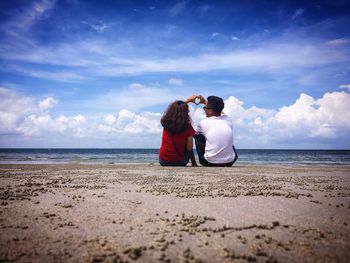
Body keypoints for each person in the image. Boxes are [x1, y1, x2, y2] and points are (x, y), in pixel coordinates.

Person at [194, 95, 238, 167]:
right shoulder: (228, 120)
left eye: (205, 108)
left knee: (197, 135)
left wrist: (188, 100)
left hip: (209, 162)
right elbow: (222, 113)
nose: (204, 110)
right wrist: (205, 102)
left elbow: (190, 132)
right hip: (230, 161)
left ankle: (208, 157)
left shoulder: (203, 123)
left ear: (210, 111)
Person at [159, 96, 198, 166]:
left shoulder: (166, 123)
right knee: (188, 142)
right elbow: (189, 148)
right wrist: (194, 163)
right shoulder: (188, 127)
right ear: (186, 113)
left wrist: (188, 100)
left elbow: (176, 109)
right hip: (180, 161)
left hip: (163, 161)